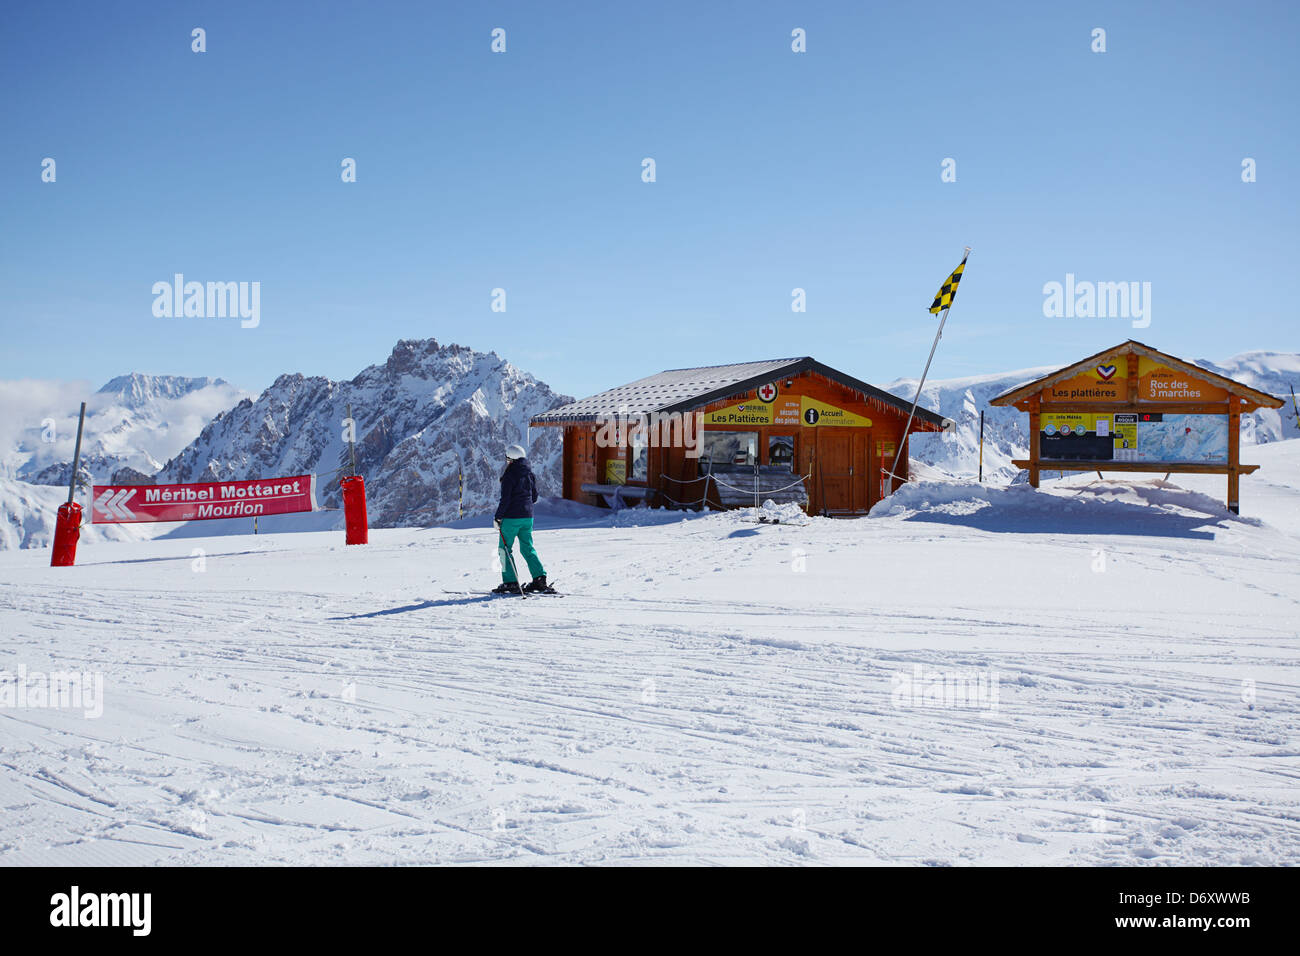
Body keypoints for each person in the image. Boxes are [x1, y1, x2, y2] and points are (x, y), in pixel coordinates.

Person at [492, 443, 552, 594]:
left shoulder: (509, 475)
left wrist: (498, 517)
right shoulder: (529, 474)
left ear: (511, 459)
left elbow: (505, 500)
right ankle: (539, 578)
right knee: (527, 548)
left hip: (511, 518)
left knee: (504, 550)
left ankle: (510, 582)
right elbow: (535, 497)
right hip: (528, 517)